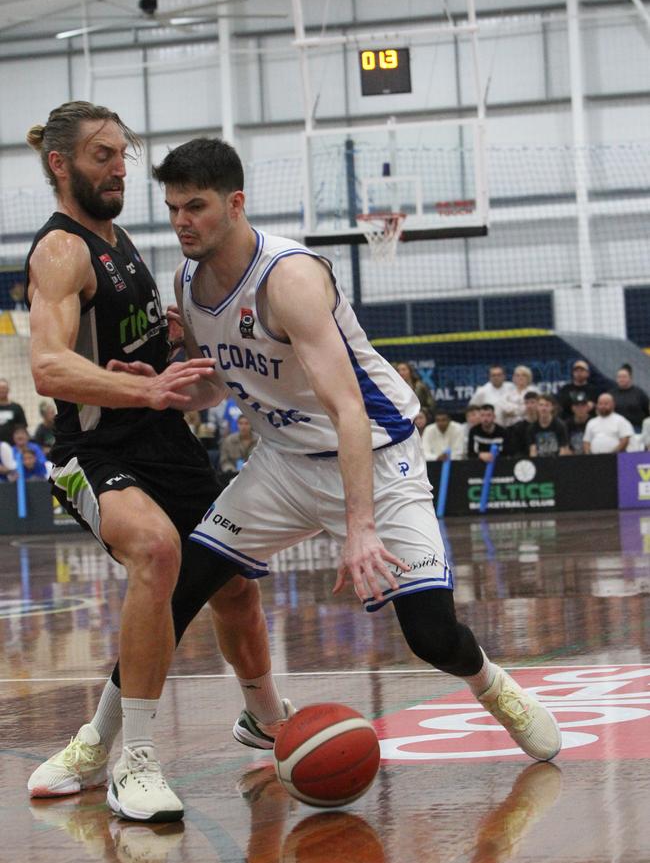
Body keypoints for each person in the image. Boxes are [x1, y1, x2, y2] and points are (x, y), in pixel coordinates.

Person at [100, 136, 559, 768]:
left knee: (430, 637)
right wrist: (158, 390)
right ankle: (99, 744)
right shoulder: (187, 278)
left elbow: (350, 411)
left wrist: (360, 526)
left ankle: (491, 685)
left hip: (376, 456)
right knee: (178, 589)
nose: (182, 221)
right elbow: (224, 381)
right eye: (174, 207)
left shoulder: (290, 279)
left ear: (235, 204)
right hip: (283, 464)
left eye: (196, 206)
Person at [23, 102, 290, 823]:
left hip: (162, 442)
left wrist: (167, 350)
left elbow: (124, 354)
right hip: (94, 450)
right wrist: (143, 385)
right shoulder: (60, 251)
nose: (118, 168)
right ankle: (132, 759)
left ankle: (266, 717)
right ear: (61, 164)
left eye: (121, 155)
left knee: (232, 586)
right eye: (102, 155)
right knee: (157, 549)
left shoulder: (120, 241)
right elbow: (48, 367)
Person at [611, 364, 649, 432]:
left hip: (636, 428)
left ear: (630, 377)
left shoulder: (639, 393)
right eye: (619, 377)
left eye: (624, 377)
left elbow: (648, 410)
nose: (621, 379)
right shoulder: (611, 394)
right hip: (616, 429)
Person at [503, 390, 539, 458]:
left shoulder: (543, 424)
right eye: (527, 403)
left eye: (532, 402)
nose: (529, 406)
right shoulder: (518, 427)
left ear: (538, 404)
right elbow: (516, 451)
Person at [565, 391, 591, 455]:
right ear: (572, 408)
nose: (580, 409)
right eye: (577, 406)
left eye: (583, 405)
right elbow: (565, 445)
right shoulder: (566, 424)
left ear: (587, 407)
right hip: (572, 458)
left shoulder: (593, 422)